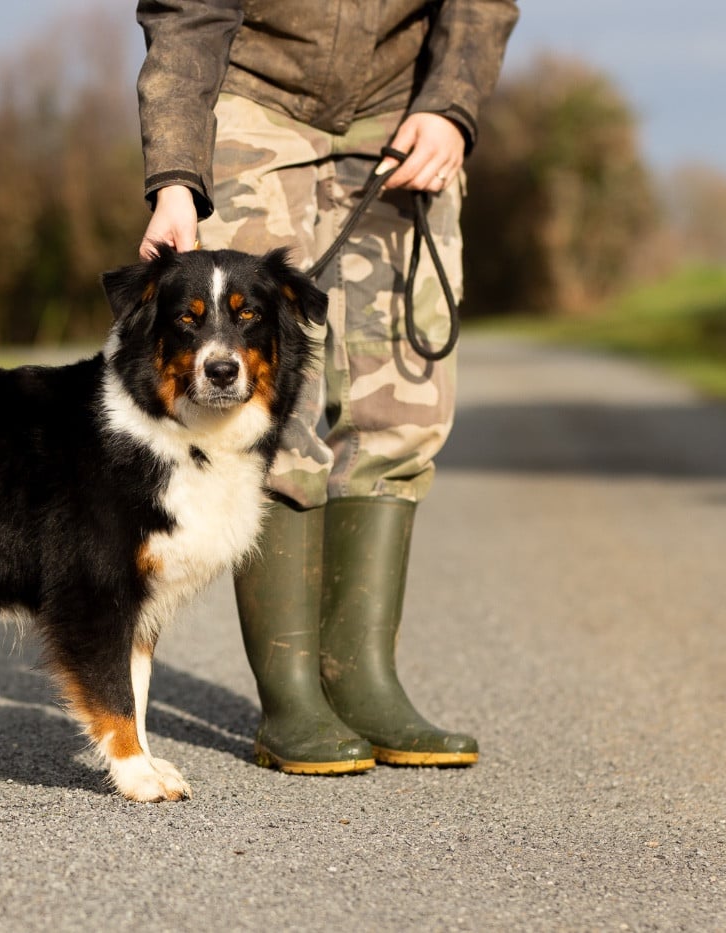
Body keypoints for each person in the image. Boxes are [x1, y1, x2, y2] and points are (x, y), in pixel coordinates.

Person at [134, 1, 518, 773]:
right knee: (259, 410)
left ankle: (363, 682)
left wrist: (451, 104)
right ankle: (290, 699)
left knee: (402, 407)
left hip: (402, 107)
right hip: (256, 99)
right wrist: (175, 176)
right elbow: (187, 13)